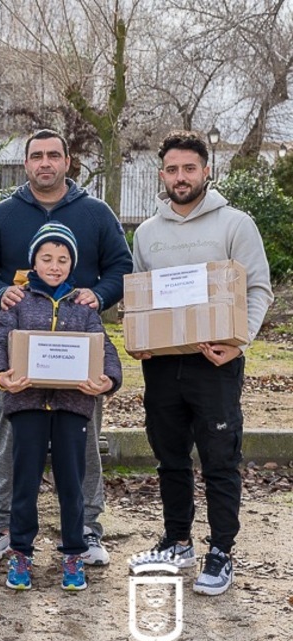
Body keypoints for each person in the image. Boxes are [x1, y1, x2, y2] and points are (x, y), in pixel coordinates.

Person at [0, 128, 132, 567]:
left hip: (79, 352)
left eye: (53, 155)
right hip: (20, 354)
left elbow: (122, 265)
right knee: (8, 440)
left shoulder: (95, 213)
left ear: (67, 161)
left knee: (83, 445)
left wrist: (100, 295)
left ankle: (87, 530)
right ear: (26, 164)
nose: (45, 163)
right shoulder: (2, 215)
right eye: (36, 155)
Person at [129, 130, 273, 596]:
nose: (181, 177)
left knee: (219, 459)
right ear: (162, 174)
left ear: (206, 171)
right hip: (161, 367)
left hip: (215, 362)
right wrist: (138, 341)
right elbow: (141, 297)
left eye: (189, 168)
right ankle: (177, 542)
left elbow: (258, 289)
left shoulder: (235, 224)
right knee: (169, 457)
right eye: (172, 169)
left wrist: (240, 343)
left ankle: (221, 551)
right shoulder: (147, 233)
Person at [0, 223, 122, 591]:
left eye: (63, 259)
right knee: (24, 482)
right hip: (27, 404)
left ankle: (74, 553)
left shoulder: (84, 307)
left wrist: (108, 380)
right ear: (33, 262)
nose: (55, 265)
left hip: (73, 406)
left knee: (72, 484)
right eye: (47, 258)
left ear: (72, 264)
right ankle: (20, 553)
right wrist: (1, 377)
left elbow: (105, 350)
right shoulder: (18, 302)